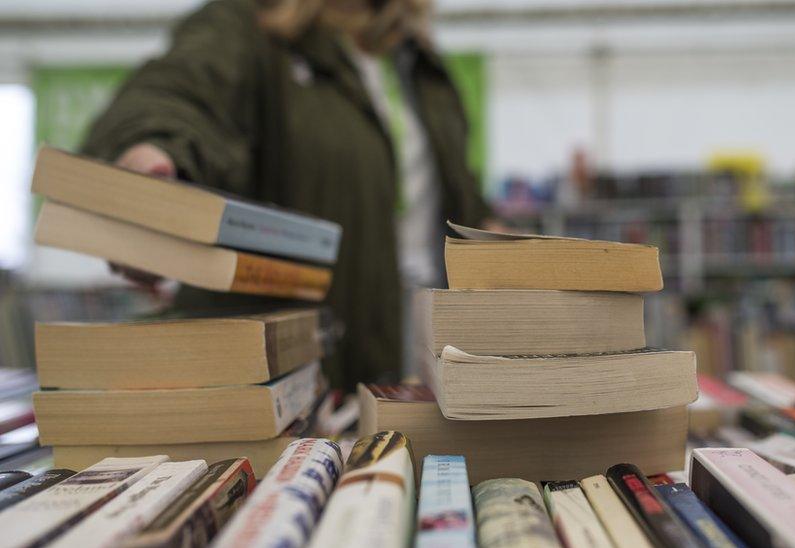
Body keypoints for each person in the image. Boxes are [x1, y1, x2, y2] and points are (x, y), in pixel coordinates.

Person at [81, 0, 493, 390]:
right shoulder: (248, 27)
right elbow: (176, 96)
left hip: (418, 362)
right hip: (296, 377)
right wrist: (149, 157)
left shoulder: (421, 65)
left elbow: (460, 201)